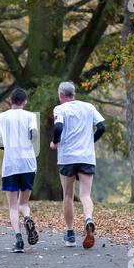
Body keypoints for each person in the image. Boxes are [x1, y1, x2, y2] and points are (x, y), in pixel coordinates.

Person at [50, 82, 106, 249]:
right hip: (86, 157)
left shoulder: (60, 109)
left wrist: (54, 142)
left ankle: (70, 234)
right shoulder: (89, 107)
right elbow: (102, 127)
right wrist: (90, 141)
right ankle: (88, 218)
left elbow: (58, 126)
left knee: (67, 195)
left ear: (61, 95)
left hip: (67, 157)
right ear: (73, 93)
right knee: (85, 195)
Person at [0, 88, 39, 253]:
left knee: (12, 206)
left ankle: (18, 240)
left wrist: (8, 148)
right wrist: (28, 143)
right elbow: (34, 133)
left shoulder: (1, 117)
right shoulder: (30, 116)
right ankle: (27, 218)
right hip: (28, 163)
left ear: (11, 100)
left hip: (10, 165)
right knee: (23, 203)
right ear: (25, 101)